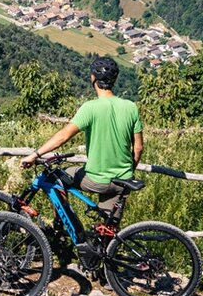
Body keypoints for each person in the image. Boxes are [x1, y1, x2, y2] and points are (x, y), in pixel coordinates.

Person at [24, 56, 143, 224]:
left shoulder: (90, 108)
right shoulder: (131, 107)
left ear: (93, 78)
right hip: (123, 180)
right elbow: (138, 148)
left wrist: (35, 154)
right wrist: (127, 171)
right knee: (107, 231)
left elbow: (63, 136)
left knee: (54, 176)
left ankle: (64, 224)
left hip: (96, 180)